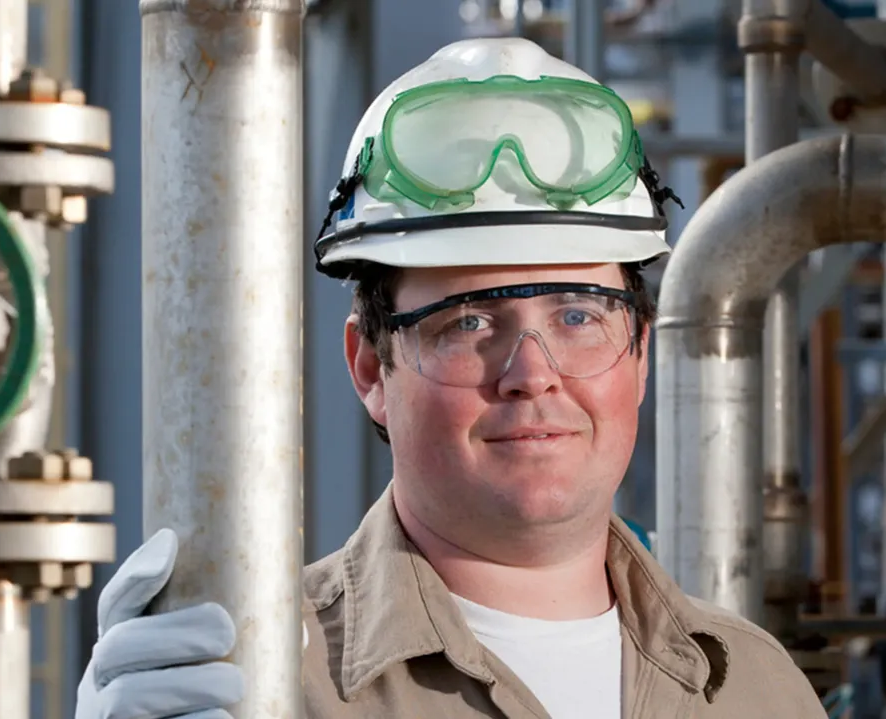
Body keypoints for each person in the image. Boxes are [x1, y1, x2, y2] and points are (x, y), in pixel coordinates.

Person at [75, 37, 827, 719]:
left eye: (577, 315)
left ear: (639, 349)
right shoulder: (259, 681)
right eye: (467, 321)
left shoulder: (756, 687)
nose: (531, 375)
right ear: (371, 366)